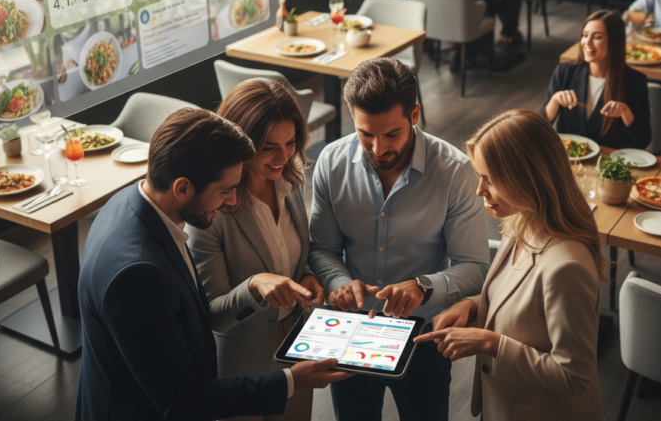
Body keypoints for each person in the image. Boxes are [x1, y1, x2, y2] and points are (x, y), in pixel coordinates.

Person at [76, 108, 349, 420]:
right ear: (182, 188)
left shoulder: (127, 201)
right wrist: (292, 380)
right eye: (225, 190)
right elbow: (182, 402)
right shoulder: (139, 276)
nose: (233, 200)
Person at [309, 57, 489, 421]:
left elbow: (475, 266)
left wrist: (424, 286)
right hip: (351, 326)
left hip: (422, 336)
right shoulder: (330, 162)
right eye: (365, 134)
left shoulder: (454, 172)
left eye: (391, 134)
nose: (378, 149)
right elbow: (323, 249)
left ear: (415, 114)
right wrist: (339, 282)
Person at [415, 108, 604, 421]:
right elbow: (518, 298)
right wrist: (473, 306)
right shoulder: (524, 220)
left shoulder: (566, 267)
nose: (479, 191)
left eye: (489, 179)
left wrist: (492, 343)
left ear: (525, 178)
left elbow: (576, 375)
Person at [185, 79, 322, 421]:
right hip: (241, 361)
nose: (283, 156)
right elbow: (214, 314)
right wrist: (253, 287)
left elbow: (298, 253)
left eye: (291, 143)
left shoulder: (290, 181)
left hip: (297, 341)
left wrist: (307, 274)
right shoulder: (213, 209)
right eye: (268, 147)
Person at [543, 10, 651, 150]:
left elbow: (643, 140)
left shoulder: (635, 81)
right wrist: (555, 101)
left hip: (609, 162)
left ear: (614, 41)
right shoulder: (564, 72)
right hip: (566, 160)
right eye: (585, 35)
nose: (587, 43)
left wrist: (625, 112)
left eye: (597, 37)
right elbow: (538, 128)